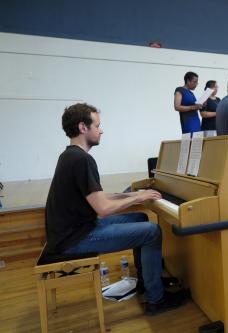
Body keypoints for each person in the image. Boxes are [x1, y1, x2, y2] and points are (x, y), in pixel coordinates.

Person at [45, 103, 187, 315]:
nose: (101, 130)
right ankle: (156, 299)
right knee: (151, 232)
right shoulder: (82, 159)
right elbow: (103, 208)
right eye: (98, 125)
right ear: (83, 127)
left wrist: (136, 195)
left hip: (72, 231)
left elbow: (99, 197)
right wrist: (135, 198)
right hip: (74, 239)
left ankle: (147, 281)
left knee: (140, 217)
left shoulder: (70, 155)